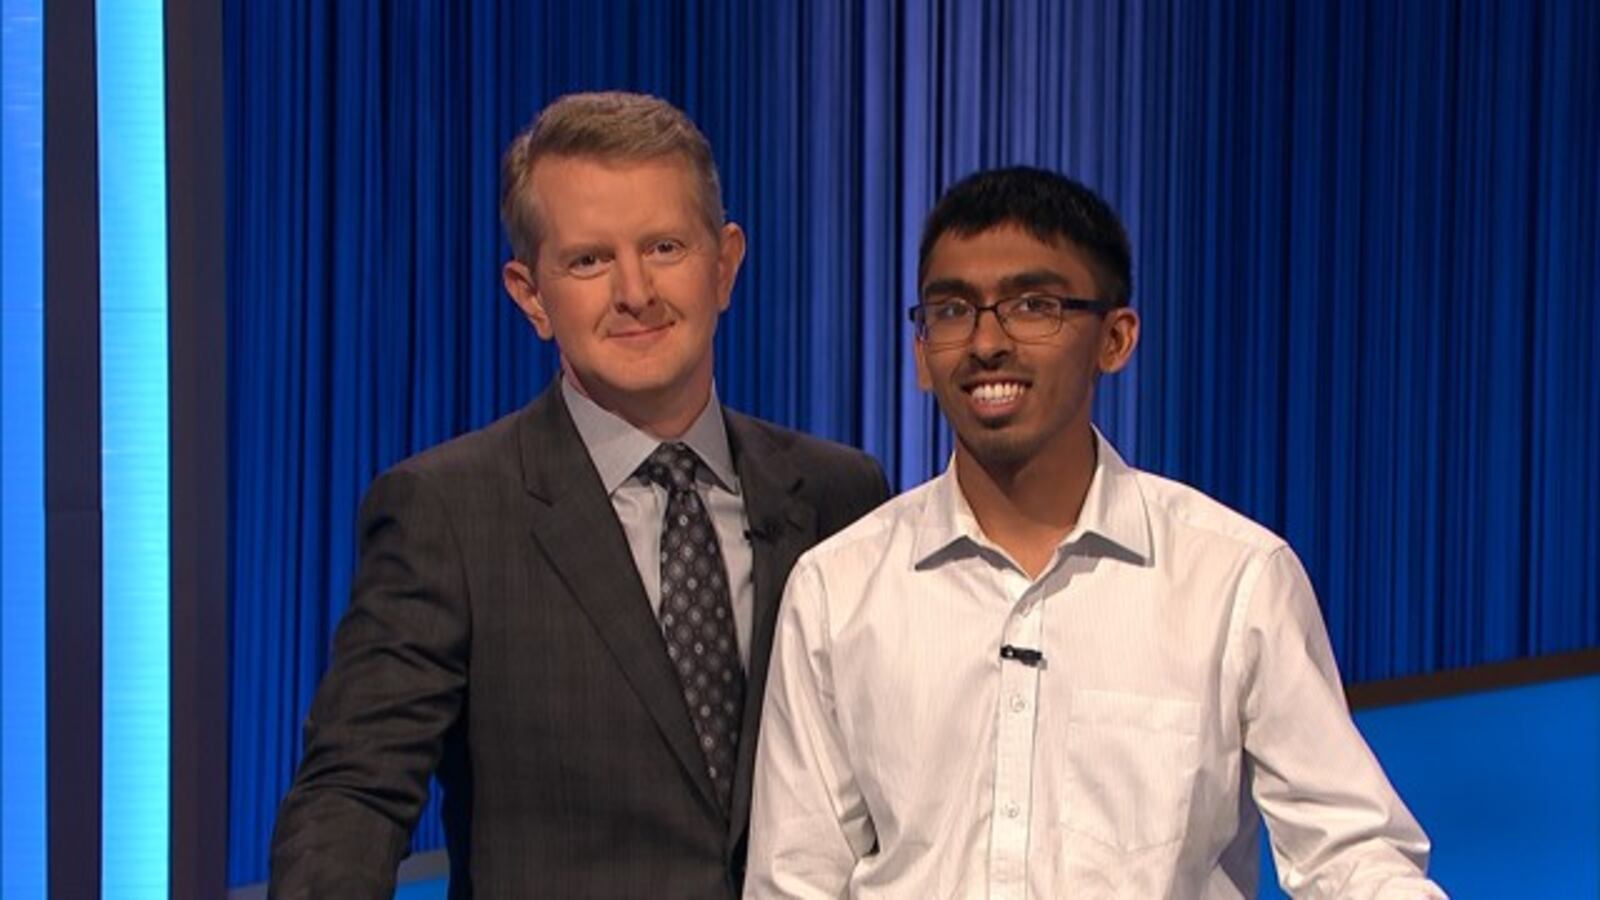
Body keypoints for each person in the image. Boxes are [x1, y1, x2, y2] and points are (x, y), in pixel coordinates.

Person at [746, 167, 1446, 898]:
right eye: (952, 311)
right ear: (922, 353)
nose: (987, 342)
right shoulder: (837, 588)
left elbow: (1352, 858)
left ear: (1115, 339)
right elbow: (794, 880)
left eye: (1032, 305)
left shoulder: (1234, 579)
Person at [268, 91, 890, 899]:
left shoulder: (843, 491)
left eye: (665, 246)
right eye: (589, 261)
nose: (634, 292)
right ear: (531, 296)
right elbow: (352, 794)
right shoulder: (448, 512)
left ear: (725, 263)